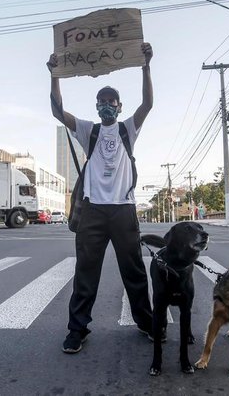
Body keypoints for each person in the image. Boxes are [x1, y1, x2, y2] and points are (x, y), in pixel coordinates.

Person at [47, 43, 154, 354]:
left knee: (133, 271)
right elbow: (57, 111)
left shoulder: (127, 130)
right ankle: (77, 330)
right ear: (96, 107)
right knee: (86, 273)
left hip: (123, 211)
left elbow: (148, 104)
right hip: (93, 212)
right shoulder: (87, 130)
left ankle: (147, 323)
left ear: (119, 107)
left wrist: (146, 66)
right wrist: (54, 74)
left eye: (112, 102)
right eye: (102, 102)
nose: (107, 105)